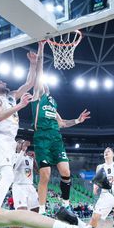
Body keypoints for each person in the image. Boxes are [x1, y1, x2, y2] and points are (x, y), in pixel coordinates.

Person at [31, 41, 91, 215]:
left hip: (56, 138)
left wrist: (78, 121)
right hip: (42, 138)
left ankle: (65, 205)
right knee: (46, 175)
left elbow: (63, 123)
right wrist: (41, 48)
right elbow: (39, 71)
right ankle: (41, 211)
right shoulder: (38, 95)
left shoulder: (53, 102)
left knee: (66, 172)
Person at [0, 50, 38, 211]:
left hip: (10, 142)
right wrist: (20, 105)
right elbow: (0, 116)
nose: (3, 82)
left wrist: (33, 64)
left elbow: (29, 83)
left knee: (6, 178)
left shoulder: (11, 96)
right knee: (8, 177)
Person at [0, 139, 48, 228]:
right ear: (17, 145)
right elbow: (13, 168)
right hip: (18, 187)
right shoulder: (12, 156)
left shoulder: (29, 157)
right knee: (21, 218)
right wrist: (23, 151)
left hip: (30, 188)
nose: (23, 144)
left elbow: (37, 170)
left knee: (39, 217)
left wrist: (35, 158)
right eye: (21, 143)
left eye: (24, 143)